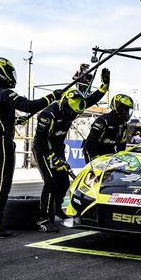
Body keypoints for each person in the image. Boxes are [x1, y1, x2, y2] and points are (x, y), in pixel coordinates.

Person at [0, 57, 62, 239]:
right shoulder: (5, 93)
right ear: (2, 72)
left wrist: (15, 121)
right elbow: (29, 106)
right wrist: (52, 97)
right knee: (2, 185)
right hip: (0, 144)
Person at [33, 68, 110, 233]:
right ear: (64, 104)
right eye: (70, 112)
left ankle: (57, 209)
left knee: (63, 181)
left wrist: (104, 86)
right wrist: (53, 157)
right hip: (43, 149)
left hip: (58, 148)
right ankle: (43, 219)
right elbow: (40, 141)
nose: (72, 116)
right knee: (50, 181)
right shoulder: (48, 115)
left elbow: (90, 99)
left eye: (75, 113)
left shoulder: (72, 109)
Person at [83, 94, 134, 163]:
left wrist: (120, 159)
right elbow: (90, 142)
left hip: (108, 150)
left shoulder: (124, 124)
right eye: (125, 109)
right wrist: (95, 158)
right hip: (93, 150)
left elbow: (122, 145)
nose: (126, 113)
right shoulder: (103, 120)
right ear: (118, 107)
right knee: (95, 172)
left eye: (128, 110)